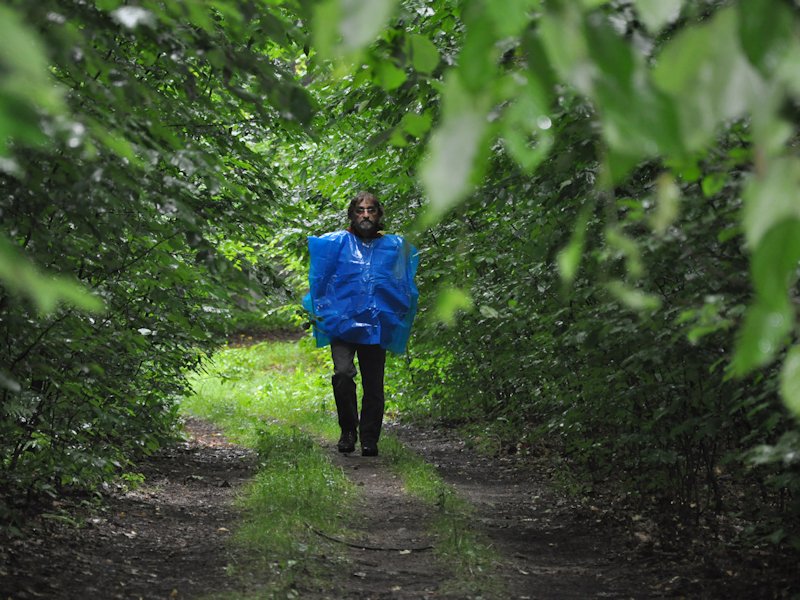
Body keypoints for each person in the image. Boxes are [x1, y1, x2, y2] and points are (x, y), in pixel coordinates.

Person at [303, 191, 419, 457]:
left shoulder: (393, 247)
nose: (365, 215)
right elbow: (319, 280)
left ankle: (369, 438)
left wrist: (395, 315)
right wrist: (321, 313)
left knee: (373, 384)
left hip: (376, 325)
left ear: (379, 214)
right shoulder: (336, 244)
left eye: (371, 210)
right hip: (341, 326)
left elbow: (404, 286)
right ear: (351, 214)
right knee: (343, 374)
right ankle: (347, 430)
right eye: (360, 210)